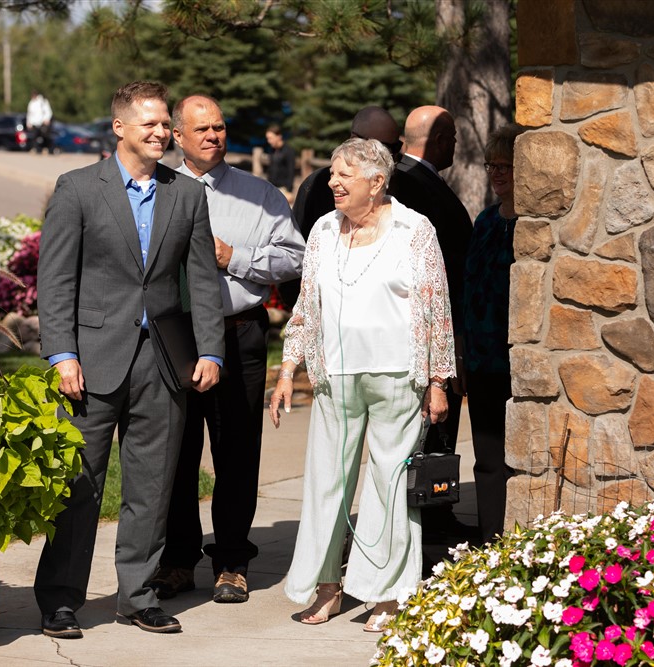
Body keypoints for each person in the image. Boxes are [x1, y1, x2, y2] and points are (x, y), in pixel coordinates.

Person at [35, 81, 225, 639]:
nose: (162, 133)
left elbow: (202, 282)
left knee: (153, 486)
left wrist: (210, 348)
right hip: (90, 364)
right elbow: (56, 281)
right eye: (151, 124)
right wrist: (62, 354)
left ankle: (137, 595)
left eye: (166, 124)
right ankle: (61, 599)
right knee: (80, 485)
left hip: (163, 364)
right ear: (119, 127)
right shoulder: (76, 189)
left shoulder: (186, 194)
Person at [269, 138, 455, 633]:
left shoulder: (415, 230)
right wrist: (288, 370)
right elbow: (307, 306)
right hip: (335, 378)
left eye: (344, 174)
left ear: (377, 182)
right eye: (332, 172)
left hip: (398, 373)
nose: (333, 182)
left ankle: (386, 594)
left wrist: (438, 381)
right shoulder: (324, 230)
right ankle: (326, 587)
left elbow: (437, 310)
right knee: (327, 482)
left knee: (389, 486)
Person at [146, 95, 304, 604]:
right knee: (176, 449)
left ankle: (233, 560)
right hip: (176, 337)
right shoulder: (156, 189)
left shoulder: (257, 194)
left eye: (219, 127)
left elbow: (294, 257)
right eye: (202, 129)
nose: (213, 136)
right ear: (177, 136)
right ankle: (177, 560)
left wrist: (235, 257)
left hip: (239, 334)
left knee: (236, 450)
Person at [387, 105, 473, 542]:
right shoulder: (409, 184)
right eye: (453, 137)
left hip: (435, 330)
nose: (456, 145)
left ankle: (436, 515)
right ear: (438, 140)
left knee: (438, 433)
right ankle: (428, 523)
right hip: (425, 334)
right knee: (430, 434)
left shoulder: (418, 180)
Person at [463, 124, 524, 545]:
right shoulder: (485, 221)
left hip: (519, 361)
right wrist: (462, 357)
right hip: (483, 361)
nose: (497, 173)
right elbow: (468, 292)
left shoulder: (534, 225)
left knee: (521, 459)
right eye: (491, 165)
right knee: (487, 460)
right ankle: (491, 543)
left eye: (506, 165)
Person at [280, 106, 401, 309]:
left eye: (395, 148)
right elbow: (298, 256)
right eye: (383, 146)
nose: (391, 155)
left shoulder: (403, 202)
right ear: (354, 139)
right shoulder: (316, 189)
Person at [265, 124, 296, 194]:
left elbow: (291, 171)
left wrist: (289, 190)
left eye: (270, 138)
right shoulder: (272, 150)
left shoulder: (288, 151)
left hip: (283, 189)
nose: (268, 141)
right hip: (271, 187)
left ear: (279, 137)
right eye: (267, 138)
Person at [27, 90, 54, 154]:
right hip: (34, 123)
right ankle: (35, 149)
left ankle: (46, 149)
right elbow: (29, 114)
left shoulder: (43, 101)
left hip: (42, 122)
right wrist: (28, 122)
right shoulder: (31, 103)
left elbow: (48, 111)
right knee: (34, 137)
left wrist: (46, 119)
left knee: (45, 136)